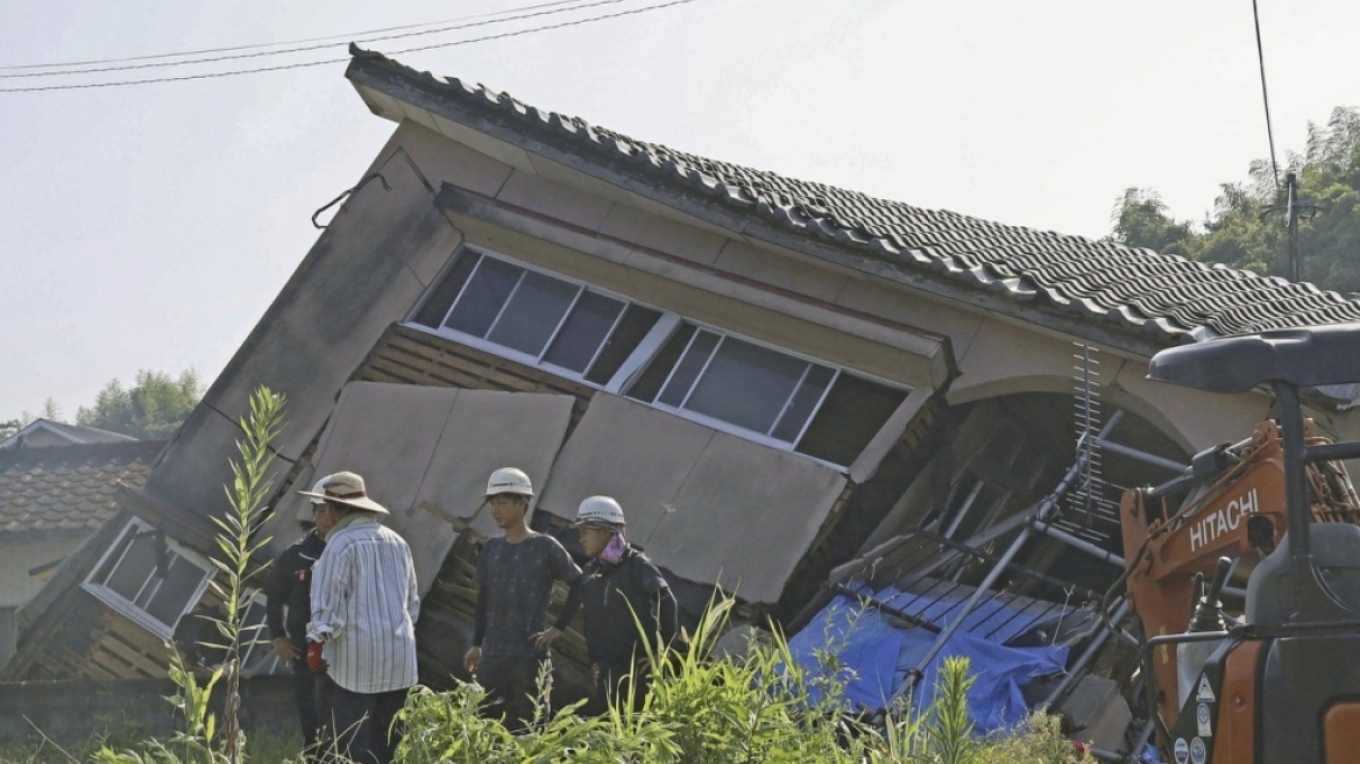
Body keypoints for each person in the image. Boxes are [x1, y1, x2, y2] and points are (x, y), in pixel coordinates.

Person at [303, 471, 419, 764]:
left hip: (355, 667)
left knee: (352, 746)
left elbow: (328, 610)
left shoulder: (340, 544)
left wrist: (316, 644)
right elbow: (412, 605)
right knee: (389, 747)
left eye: (325, 507)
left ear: (335, 509)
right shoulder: (398, 542)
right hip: (399, 662)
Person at [463, 467, 581, 729]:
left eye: (502, 503)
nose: (496, 510)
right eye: (493, 504)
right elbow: (483, 600)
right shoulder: (492, 549)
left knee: (529, 728)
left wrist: (557, 629)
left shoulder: (545, 546)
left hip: (529, 657)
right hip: (493, 655)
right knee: (482, 727)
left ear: (522, 504)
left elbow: (580, 583)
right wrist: (476, 644)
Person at [548, 496, 682, 715]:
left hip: (638, 670)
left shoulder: (636, 564)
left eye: (585, 532)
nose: (580, 539)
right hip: (607, 672)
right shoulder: (592, 571)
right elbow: (591, 621)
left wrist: (660, 650)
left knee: (635, 729)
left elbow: (666, 600)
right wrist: (595, 661)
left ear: (604, 532)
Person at [264, 479, 336, 760]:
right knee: (310, 714)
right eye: (320, 510)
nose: (326, 517)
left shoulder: (351, 550)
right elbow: (273, 598)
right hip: (303, 651)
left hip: (342, 651)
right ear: (313, 513)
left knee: (340, 716)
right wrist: (277, 637)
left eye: (332, 511)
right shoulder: (295, 555)